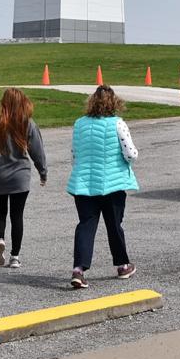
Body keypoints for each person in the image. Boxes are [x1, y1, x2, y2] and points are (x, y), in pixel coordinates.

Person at [66, 85, 138, 289]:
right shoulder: (118, 124)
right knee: (114, 225)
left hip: (84, 183)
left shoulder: (79, 124)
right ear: (114, 103)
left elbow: (74, 153)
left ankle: (78, 270)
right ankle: (123, 265)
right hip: (112, 184)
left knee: (86, 225)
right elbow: (130, 153)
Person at [0, 87, 47, 269]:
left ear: (3, 103)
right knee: (17, 216)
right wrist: (43, 171)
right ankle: (15, 256)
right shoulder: (28, 124)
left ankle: (0, 238)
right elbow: (37, 152)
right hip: (20, 177)